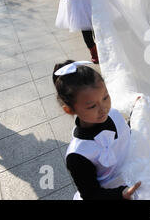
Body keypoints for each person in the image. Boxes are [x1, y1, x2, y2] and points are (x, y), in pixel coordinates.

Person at [52, 60, 142, 200]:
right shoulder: (78, 154)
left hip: (137, 178)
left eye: (105, 97)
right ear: (69, 110)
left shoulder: (114, 114)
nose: (103, 108)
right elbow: (91, 194)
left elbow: (127, 137)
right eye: (92, 106)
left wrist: (137, 114)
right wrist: (120, 194)